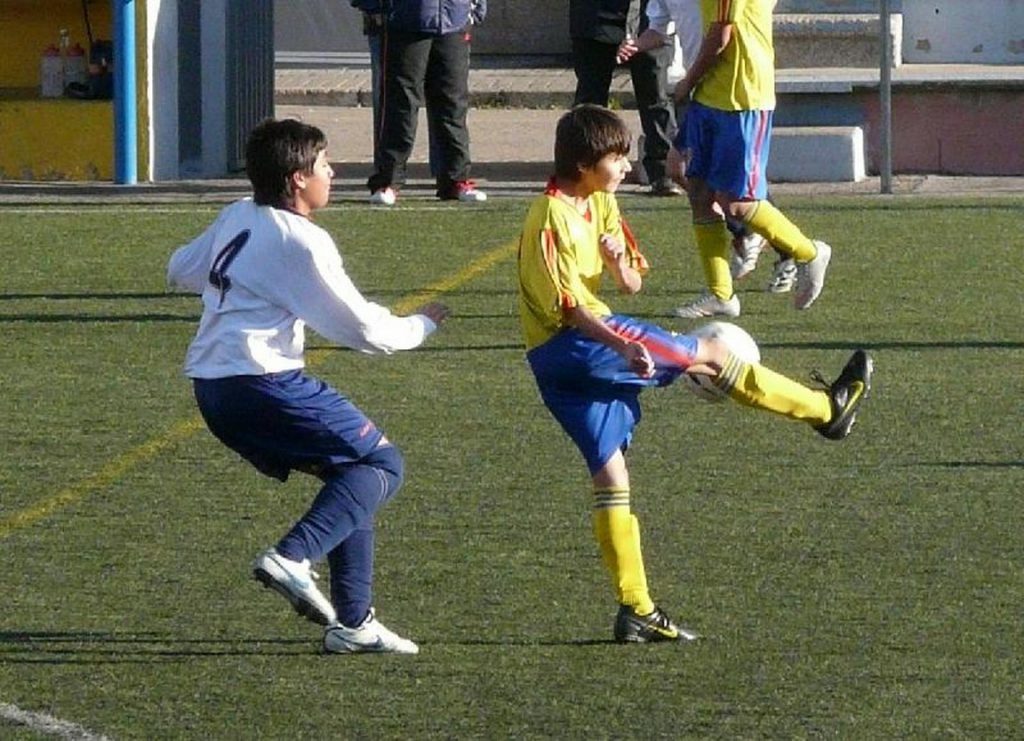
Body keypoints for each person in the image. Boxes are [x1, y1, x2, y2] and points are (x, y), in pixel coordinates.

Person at [516, 105, 872, 643]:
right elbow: (570, 309)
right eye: (617, 158)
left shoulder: (601, 202)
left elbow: (632, 284)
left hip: (562, 361)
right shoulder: (549, 216)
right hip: (578, 346)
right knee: (708, 351)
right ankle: (828, 410)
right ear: (586, 164)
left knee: (611, 476)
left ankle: (636, 608)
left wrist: (617, 264)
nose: (626, 166)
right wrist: (624, 346)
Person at [167, 118, 449, 655]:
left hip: (213, 388)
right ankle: (293, 556)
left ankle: (354, 623)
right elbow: (364, 331)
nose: (332, 172)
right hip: (260, 382)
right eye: (323, 164)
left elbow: (179, 267)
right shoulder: (303, 241)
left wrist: (237, 284)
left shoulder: (239, 215)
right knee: (382, 465)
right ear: (298, 178)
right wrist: (422, 325)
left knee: (350, 473)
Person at [620, 0, 831, 318]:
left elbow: (721, 34)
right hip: (710, 95)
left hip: (741, 97)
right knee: (698, 190)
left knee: (735, 203)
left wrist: (687, 82)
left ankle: (808, 252)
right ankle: (721, 294)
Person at [366, 0, 487, 206]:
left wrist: (474, 9)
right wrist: (373, 8)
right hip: (404, 20)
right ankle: (388, 181)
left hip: (453, 20)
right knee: (400, 104)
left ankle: (455, 180)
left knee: (453, 105)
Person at [570, 0, 683, 197]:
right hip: (595, 17)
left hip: (650, 17)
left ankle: (662, 170)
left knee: (656, 95)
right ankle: (584, 166)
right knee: (590, 101)